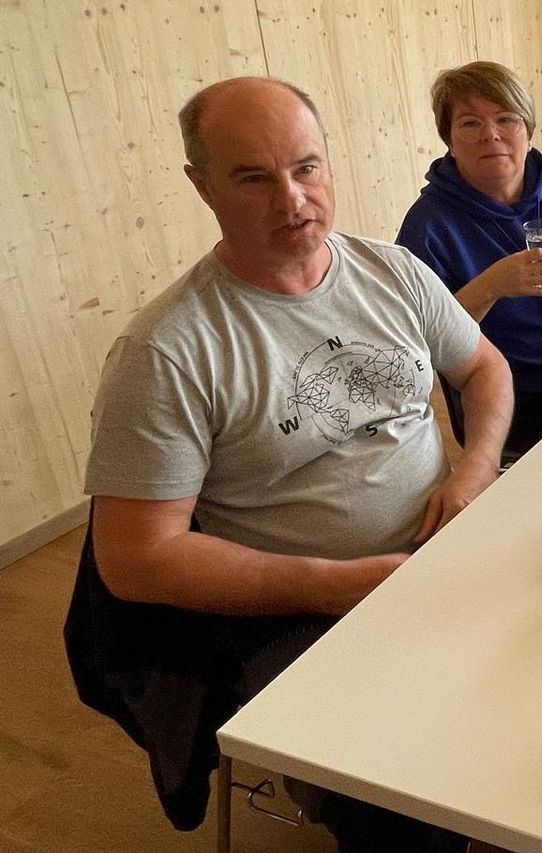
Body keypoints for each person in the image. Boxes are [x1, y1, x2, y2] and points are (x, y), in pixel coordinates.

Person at [71, 77, 514, 851]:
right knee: (408, 798)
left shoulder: (391, 271)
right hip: (300, 608)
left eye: (306, 167)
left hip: (442, 547)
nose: (292, 199)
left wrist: (474, 469)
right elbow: (134, 559)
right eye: (254, 177)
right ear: (202, 186)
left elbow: (484, 368)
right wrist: (336, 584)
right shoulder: (166, 351)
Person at [398, 61, 542, 457]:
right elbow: (420, 342)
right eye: (470, 123)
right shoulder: (428, 225)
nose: (490, 135)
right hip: (516, 401)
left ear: (528, 132)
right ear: (449, 140)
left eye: (505, 119)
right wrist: (491, 286)